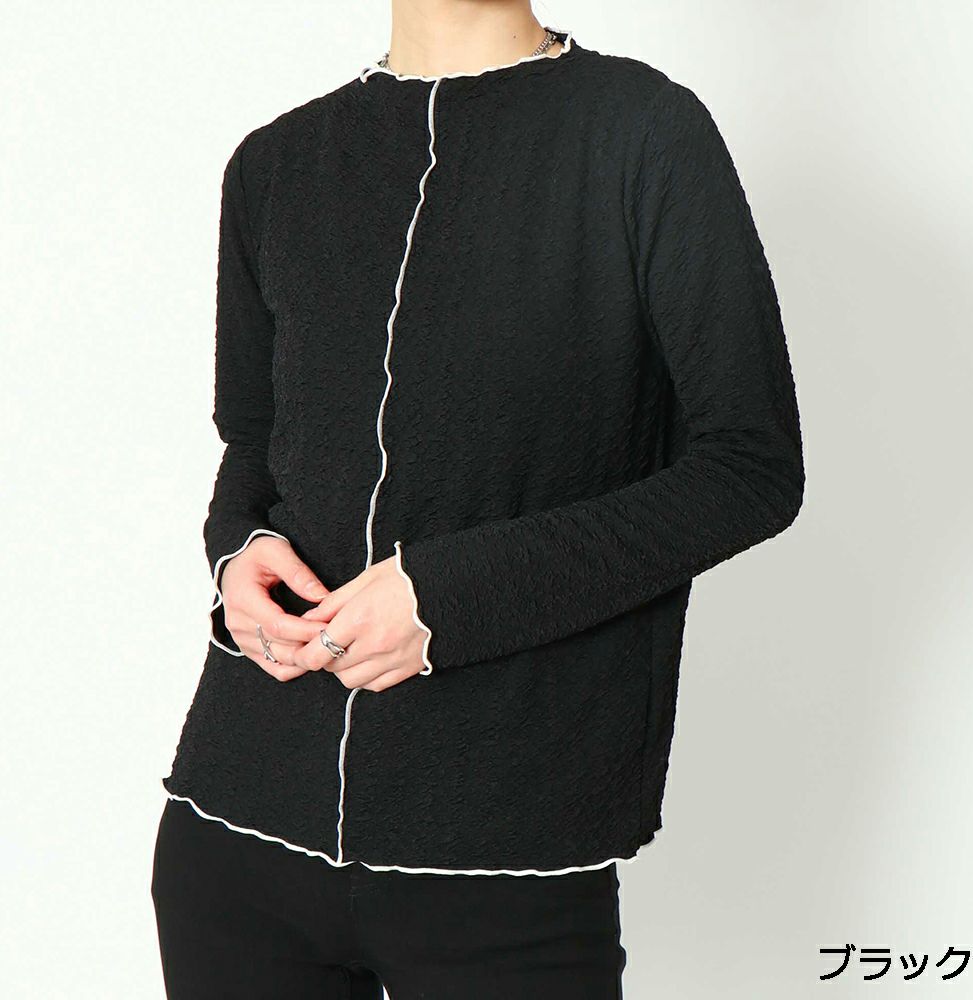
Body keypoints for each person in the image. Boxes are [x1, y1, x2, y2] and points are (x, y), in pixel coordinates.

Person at [150, 2, 805, 997]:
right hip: (235, 830)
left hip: (504, 854)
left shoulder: (640, 132)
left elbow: (750, 468)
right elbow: (253, 441)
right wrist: (236, 554)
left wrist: (449, 597)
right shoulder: (275, 164)